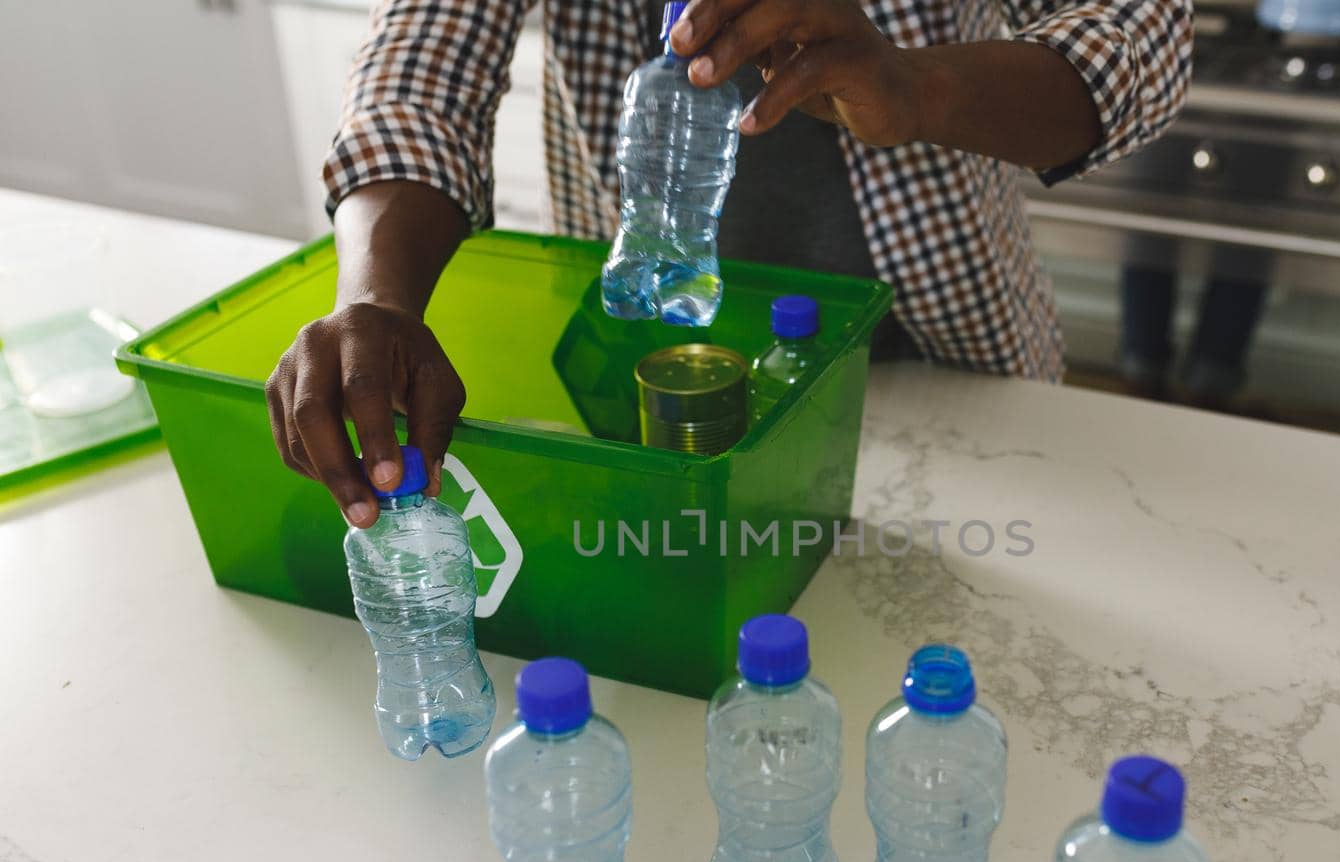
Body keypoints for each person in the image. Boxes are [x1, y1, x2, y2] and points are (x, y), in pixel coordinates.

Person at [267, 0, 1194, 527]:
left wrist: (916, 87)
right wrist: (378, 299)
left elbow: (1141, 32)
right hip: (655, 383)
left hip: (937, 376)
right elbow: (421, 69)